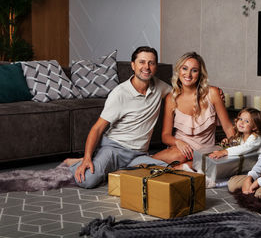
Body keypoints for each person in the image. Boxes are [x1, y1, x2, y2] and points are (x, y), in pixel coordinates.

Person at [64, 46, 171, 188]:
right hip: (115, 149)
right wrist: (87, 158)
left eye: (151, 63)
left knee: (167, 171)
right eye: (142, 62)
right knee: (87, 180)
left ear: (155, 67)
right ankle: (77, 162)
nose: (146, 67)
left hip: (139, 155)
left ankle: (111, 167)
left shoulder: (160, 87)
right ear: (133, 65)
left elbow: (182, 95)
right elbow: (97, 129)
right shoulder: (119, 93)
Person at [152, 52, 235, 169]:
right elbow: (165, 136)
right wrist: (178, 142)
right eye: (184, 68)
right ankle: (140, 167)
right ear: (179, 70)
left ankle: (179, 168)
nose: (188, 74)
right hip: (179, 151)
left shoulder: (213, 93)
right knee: (178, 156)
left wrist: (234, 148)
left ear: (200, 74)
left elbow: (228, 127)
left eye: (194, 70)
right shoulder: (171, 98)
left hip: (205, 152)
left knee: (210, 161)